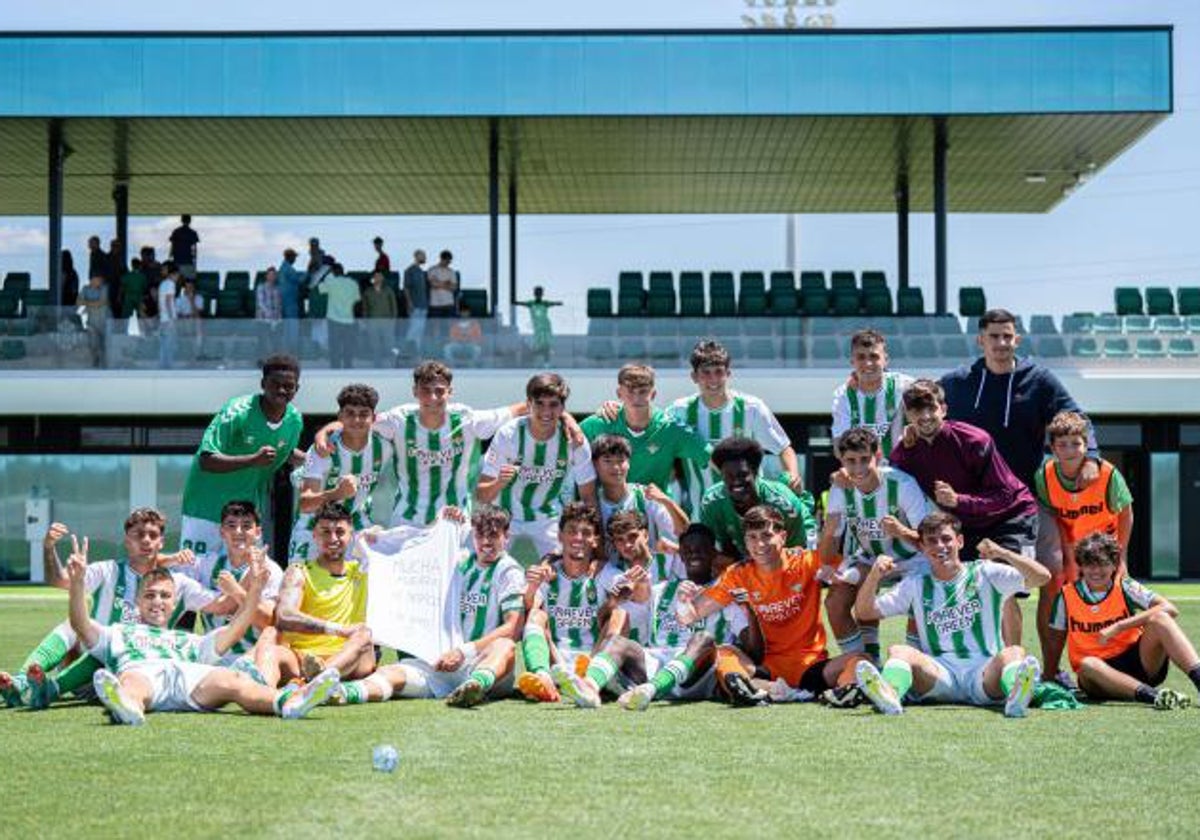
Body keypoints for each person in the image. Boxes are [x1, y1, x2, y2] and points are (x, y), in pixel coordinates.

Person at [940, 308, 1101, 684]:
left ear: (1017, 339)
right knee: (958, 583)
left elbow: (1076, 415)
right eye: (993, 336)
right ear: (980, 340)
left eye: (1007, 336)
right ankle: (966, 667)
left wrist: (1090, 454)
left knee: (1050, 575)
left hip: (1023, 503)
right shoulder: (958, 383)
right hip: (968, 505)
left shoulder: (1039, 380)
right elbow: (916, 402)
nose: (1001, 343)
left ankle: (1045, 670)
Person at [59, 543, 335, 725]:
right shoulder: (118, 632)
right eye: (151, 596)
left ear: (174, 602)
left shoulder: (190, 640)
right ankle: (128, 706)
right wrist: (78, 584)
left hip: (190, 677)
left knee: (233, 679)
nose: (158, 601)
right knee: (132, 679)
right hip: (144, 672)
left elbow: (237, 627)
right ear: (138, 602)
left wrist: (255, 588)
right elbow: (81, 623)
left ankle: (289, 703)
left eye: (165, 596)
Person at [2, 508, 225, 709]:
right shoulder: (107, 571)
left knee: (113, 647)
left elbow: (223, 605)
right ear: (127, 541)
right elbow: (59, 581)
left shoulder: (178, 583)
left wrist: (245, 582)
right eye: (138, 535)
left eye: (153, 536)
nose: (146, 541)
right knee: (75, 627)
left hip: (136, 678)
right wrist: (49, 547)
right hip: (88, 673)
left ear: (161, 542)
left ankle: (46, 690)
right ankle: (22, 681)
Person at [854, 512, 1049, 717]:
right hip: (940, 675)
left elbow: (1042, 577)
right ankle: (889, 696)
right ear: (922, 547)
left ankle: (1016, 698)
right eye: (931, 541)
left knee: (1014, 652)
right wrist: (874, 575)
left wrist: (1004, 553)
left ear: (960, 541)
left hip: (984, 673)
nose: (940, 546)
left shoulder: (986, 572)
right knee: (899, 651)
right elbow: (865, 612)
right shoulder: (915, 584)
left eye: (946, 539)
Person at [330, 504, 526, 708]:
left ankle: (474, 686)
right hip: (441, 664)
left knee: (505, 646)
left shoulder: (508, 571)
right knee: (391, 674)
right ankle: (339, 693)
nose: (486, 542)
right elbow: (417, 551)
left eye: (493, 535)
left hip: (482, 664)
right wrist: (377, 538)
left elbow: (513, 628)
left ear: (507, 536)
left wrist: (463, 652)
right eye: (480, 535)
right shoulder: (459, 561)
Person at [676, 505, 867, 706]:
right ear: (746, 542)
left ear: (782, 537)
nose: (760, 544)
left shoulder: (806, 561)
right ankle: (754, 690)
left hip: (811, 666)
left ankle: (843, 693)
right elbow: (690, 615)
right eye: (752, 537)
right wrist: (682, 601)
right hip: (765, 667)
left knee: (861, 661)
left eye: (767, 535)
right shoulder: (738, 574)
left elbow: (862, 568)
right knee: (724, 653)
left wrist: (844, 575)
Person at [314, 361, 531, 536]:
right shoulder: (398, 420)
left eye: (439, 391)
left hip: (455, 518)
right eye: (426, 391)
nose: (433, 397)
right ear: (415, 391)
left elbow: (521, 408)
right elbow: (357, 420)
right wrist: (325, 431)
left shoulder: (468, 419)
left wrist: (564, 416)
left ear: (450, 392)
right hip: (407, 519)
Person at [615, 523, 763, 710]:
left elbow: (755, 652)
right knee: (618, 643)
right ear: (681, 555)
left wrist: (749, 610)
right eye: (688, 550)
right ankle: (590, 688)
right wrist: (626, 595)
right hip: (656, 665)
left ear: (713, 553)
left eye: (701, 550)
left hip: (697, 675)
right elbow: (633, 625)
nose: (694, 554)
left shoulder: (724, 595)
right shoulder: (660, 590)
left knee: (703, 638)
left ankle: (650, 690)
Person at [1048, 532, 1200, 710]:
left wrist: (1119, 626)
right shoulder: (1066, 595)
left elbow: (1169, 608)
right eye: (1090, 565)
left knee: (1161, 618)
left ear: (1114, 565)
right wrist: (1049, 676)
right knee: (1088, 664)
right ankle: (1155, 697)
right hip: (1097, 676)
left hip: (1140, 663)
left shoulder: (1126, 586)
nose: (1096, 571)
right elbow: (1055, 640)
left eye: (1103, 564)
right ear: (1081, 566)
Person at [1034, 410, 1135, 676]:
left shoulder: (1107, 473)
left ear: (1086, 444)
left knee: (1118, 600)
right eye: (1062, 444)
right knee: (1054, 596)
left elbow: (1126, 513)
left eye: (1076, 443)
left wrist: (1121, 557)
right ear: (1053, 448)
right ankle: (1051, 671)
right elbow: (1052, 519)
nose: (1070, 450)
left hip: (1104, 552)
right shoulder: (1044, 476)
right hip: (1070, 550)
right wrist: (1065, 559)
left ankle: (1122, 667)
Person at [818, 427, 928, 662]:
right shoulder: (839, 488)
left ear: (877, 456)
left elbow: (930, 541)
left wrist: (902, 531)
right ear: (842, 461)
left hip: (911, 558)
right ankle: (863, 663)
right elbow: (826, 557)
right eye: (851, 461)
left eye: (864, 460)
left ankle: (915, 662)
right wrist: (828, 531)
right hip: (869, 559)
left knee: (923, 596)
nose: (858, 468)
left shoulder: (903, 484)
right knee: (835, 602)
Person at [179, 355, 304, 560]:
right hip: (206, 510)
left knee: (250, 577)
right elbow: (207, 459)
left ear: (296, 389)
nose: (282, 390)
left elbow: (286, 452)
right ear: (263, 384)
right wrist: (253, 460)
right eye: (275, 384)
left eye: (288, 386)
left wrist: (316, 459)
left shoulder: (294, 419)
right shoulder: (237, 411)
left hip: (246, 517)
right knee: (193, 576)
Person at [668, 340, 804, 518]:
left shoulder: (751, 408)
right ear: (694, 376)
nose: (713, 379)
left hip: (749, 513)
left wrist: (792, 475)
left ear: (728, 373)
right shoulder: (679, 411)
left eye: (719, 372)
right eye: (706, 373)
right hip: (701, 515)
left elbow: (784, 449)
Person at [478, 373, 597, 565]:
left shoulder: (574, 440)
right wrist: (499, 482)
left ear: (563, 407)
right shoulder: (509, 434)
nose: (546, 411)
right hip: (505, 515)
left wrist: (595, 546)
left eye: (553, 404)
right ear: (528, 404)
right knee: (484, 567)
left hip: (547, 516)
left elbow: (589, 496)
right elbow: (482, 495)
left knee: (569, 567)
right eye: (539, 403)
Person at [516, 503, 623, 703]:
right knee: (536, 615)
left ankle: (592, 677)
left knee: (619, 614)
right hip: (556, 662)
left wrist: (614, 600)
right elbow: (529, 605)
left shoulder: (603, 572)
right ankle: (543, 678)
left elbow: (629, 589)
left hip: (591, 661)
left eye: (585, 533)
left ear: (595, 540)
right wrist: (532, 586)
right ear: (560, 536)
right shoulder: (548, 571)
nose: (578, 538)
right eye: (572, 531)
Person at [289, 384, 394, 562]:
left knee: (367, 585)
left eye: (363, 414)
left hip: (356, 524)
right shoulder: (323, 449)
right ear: (340, 416)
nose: (356, 420)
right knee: (298, 585)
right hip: (313, 525)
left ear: (374, 418)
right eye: (350, 413)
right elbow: (306, 503)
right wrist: (337, 493)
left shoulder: (384, 447)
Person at [275, 503, 376, 682]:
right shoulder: (299, 571)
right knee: (270, 646)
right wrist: (338, 630)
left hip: (353, 660)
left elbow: (405, 555)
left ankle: (316, 681)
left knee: (364, 636)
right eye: (325, 532)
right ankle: (318, 681)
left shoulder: (364, 571)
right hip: (304, 661)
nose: (333, 538)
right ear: (314, 535)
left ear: (351, 534)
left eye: (340, 532)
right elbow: (284, 615)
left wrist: (381, 539)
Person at [582, 363, 712, 493]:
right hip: (608, 510)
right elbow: (568, 443)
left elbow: (713, 457)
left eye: (642, 391)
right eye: (630, 391)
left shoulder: (671, 428)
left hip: (655, 510)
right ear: (619, 393)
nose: (636, 398)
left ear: (653, 393)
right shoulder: (599, 424)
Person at [184, 501, 286, 668]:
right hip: (213, 657)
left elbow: (269, 621)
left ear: (258, 532)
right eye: (231, 525)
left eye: (246, 526)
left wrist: (237, 592)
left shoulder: (270, 570)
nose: (238, 532)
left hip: (252, 657)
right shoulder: (207, 565)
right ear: (222, 532)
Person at [699, 437, 816, 566]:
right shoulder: (711, 502)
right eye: (729, 476)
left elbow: (797, 550)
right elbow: (715, 549)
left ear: (755, 473)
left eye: (742, 475)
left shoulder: (783, 502)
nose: (736, 481)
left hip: (796, 542)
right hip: (742, 556)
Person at [591, 435, 687, 569]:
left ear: (629, 463)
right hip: (609, 582)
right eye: (608, 461)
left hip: (650, 578)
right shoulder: (591, 501)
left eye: (621, 460)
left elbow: (683, 532)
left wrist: (667, 501)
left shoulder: (646, 496)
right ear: (595, 464)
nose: (616, 467)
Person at [831, 329, 914, 463]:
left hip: (904, 473)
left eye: (874, 357)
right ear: (852, 361)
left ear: (885, 360)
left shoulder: (905, 386)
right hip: (863, 476)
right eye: (861, 357)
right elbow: (839, 447)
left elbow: (934, 398)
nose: (868, 363)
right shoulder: (843, 395)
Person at [316, 262, 361, 369]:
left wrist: (327, 275)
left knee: (334, 347)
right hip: (349, 320)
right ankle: (348, 367)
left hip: (334, 320)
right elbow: (357, 300)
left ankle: (335, 368)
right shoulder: (353, 283)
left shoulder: (331, 282)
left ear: (333, 272)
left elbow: (319, 288)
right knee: (348, 347)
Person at [361, 269, 398, 367]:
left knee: (389, 344)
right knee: (375, 344)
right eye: (376, 276)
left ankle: (392, 363)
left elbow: (393, 306)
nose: (378, 278)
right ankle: (377, 364)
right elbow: (365, 308)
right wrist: (365, 322)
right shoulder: (368, 292)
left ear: (383, 278)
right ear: (373, 278)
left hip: (387, 321)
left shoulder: (388, 290)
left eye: (380, 276)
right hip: (372, 322)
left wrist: (393, 320)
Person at [516, 285, 562, 362]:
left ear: (542, 294)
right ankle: (539, 354)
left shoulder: (544, 303)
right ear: (534, 294)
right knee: (539, 340)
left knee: (546, 340)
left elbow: (553, 303)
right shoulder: (531, 303)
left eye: (540, 293)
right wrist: (516, 302)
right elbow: (523, 304)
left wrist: (558, 303)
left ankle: (546, 358)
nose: (538, 295)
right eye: (537, 293)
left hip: (545, 324)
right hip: (537, 325)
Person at [278, 247, 306, 354]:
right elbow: (299, 280)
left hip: (287, 303)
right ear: (290, 257)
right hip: (290, 303)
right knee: (292, 331)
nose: (295, 259)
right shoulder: (288, 268)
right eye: (294, 257)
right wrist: (308, 273)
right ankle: (291, 351)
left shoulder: (284, 267)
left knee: (287, 330)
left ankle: (289, 351)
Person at [77, 274, 108, 368]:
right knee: (93, 344)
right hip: (91, 322)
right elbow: (78, 302)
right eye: (99, 279)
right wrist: (92, 303)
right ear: (93, 279)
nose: (101, 281)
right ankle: (95, 363)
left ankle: (105, 364)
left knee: (105, 345)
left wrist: (87, 303)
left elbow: (102, 302)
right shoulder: (85, 289)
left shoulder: (104, 288)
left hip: (103, 322)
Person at [402, 249, 428, 354]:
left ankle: (417, 353)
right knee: (412, 331)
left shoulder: (421, 272)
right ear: (416, 256)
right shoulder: (409, 271)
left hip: (423, 306)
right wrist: (410, 303)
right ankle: (406, 352)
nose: (425, 258)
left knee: (419, 332)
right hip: (415, 306)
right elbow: (406, 288)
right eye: (423, 255)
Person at [444, 299, 483, 366]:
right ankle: (452, 366)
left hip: (470, 345)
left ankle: (471, 366)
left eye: (466, 311)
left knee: (477, 349)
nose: (464, 313)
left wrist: (469, 339)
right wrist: (461, 339)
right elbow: (451, 337)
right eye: (462, 311)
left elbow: (479, 338)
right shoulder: (455, 324)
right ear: (460, 313)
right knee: (447, 348)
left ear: (469, 312)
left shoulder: (475, 324)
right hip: (458, 345)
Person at [255, 266, 283, 357]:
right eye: (270, 275)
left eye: (274, 275)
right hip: (263, 320)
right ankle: (260, 361)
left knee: (275, 342)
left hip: (275, 321)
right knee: (262, 341)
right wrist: (269, 314)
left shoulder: (277, 289)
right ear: (266, 276)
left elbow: (279, 304)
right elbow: (261, 303)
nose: (272, 277)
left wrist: (277, 317)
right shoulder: (261, 287)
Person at [175, 274, 205, 359]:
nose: (189, 289)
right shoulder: (179, 300)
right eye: (187, 287)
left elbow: (198, 314)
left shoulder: (199, 298)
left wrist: (192, 301)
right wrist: (187, 317)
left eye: (191, 287)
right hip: (183, 322)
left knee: (197, 321)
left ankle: (197, 351)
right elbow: (178, 315)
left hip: (194, 322)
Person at [157, 264, 179, 369]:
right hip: (168, 319)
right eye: (177, 276)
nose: (178, 278)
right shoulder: (170, 284)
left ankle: (163, 365)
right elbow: (169, 301)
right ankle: (168, 366)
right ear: (174, 274)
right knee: (169, 343)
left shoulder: (163, 284)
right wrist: (171, 318)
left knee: (164, 343)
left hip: (163, 318)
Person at [426, 249, 458, 318]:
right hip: (435, 304)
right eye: (447, 261)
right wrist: (447, 283)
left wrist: (438, 282)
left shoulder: (451, 272)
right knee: (435, 326)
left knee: (449, 326)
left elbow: (454, 287)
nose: (448, 263)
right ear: (442, 259)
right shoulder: (432, 270)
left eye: (450, 261)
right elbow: (433, 284)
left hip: (449, 303)